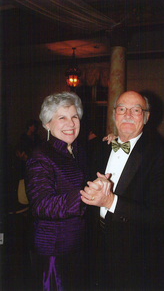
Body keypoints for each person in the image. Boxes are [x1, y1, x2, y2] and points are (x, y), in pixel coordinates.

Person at [81, 91, 164, 290]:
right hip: (97, 254)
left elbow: (159, 215)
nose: (128, 115)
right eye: (122, 109)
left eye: (136, 110)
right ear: (114, 114)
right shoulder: (100, 148)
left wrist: (110, 202)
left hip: (138, 261)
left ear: (147, 117)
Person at [25, 91, 88, 291]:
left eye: (74, 116)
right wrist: (85, 197)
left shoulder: (76, 151)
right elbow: (40, 205)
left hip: (74, 247)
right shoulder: (41, 156)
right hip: (53, 251)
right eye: (62, 117)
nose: (70, 123)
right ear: (47, 124)